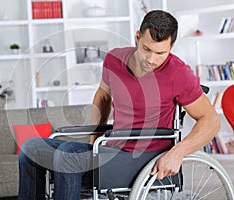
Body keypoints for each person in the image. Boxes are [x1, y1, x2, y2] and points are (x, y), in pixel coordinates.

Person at [18, 10, 220, 200]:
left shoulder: (179, 73)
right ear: (137, 37)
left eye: (160, 53)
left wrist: (177, 153)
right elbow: (103, 97)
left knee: (69, 154)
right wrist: (93, 139)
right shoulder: (114, 59)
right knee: (31, 147)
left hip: (144, 158)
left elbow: (210, 121)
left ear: (171, 46)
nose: (151, 59)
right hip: (113, 148)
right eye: (146, 49)